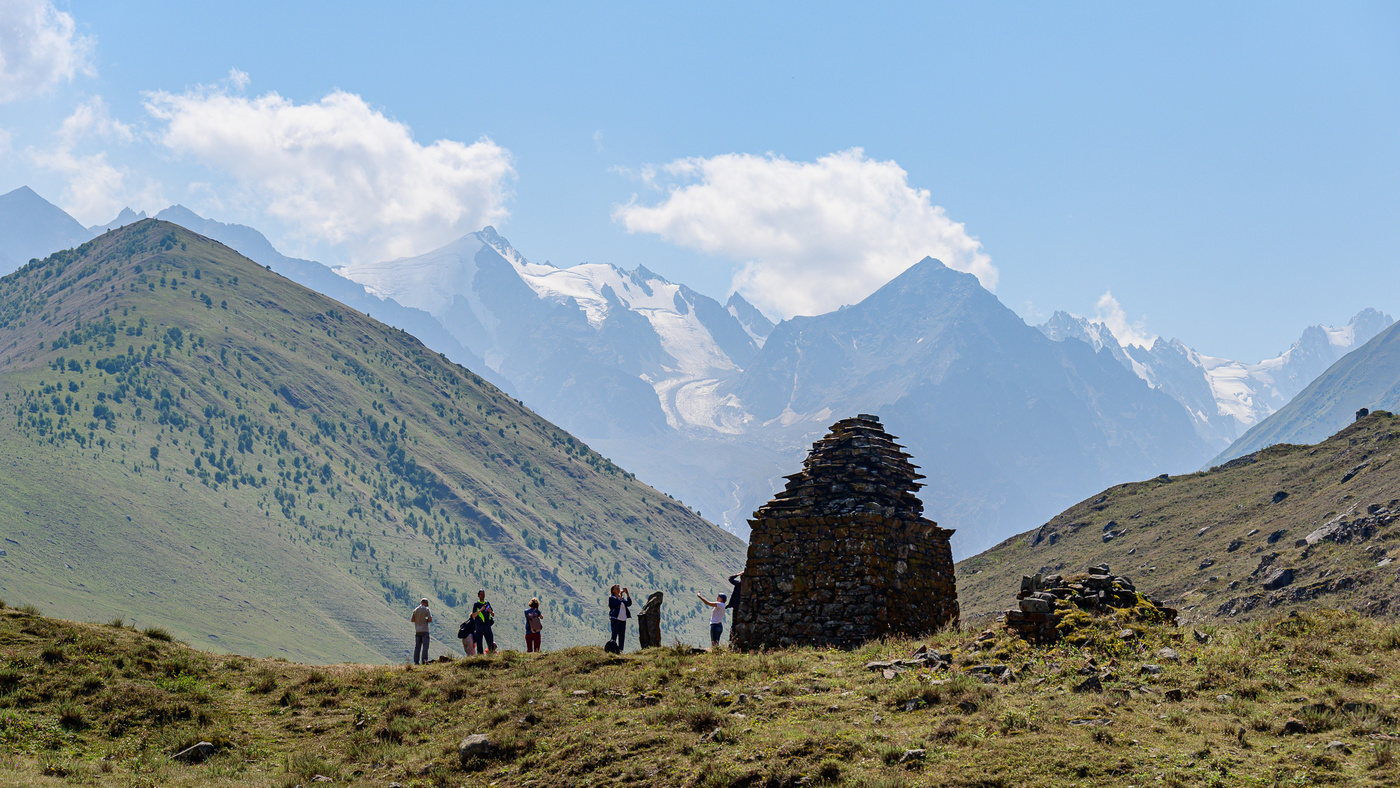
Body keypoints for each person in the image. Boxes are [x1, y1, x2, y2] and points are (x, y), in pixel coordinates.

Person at [471, 590, 496, 654]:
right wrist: (481, 609)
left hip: (487, 625)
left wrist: (490, 611)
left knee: (490, 641)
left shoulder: (487, 603)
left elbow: (493, 614)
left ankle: (491, 654)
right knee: (479, 642)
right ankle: (480, 656)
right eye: (481, 594)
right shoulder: (476, 604)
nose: (483, 595)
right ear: (478, 596)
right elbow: (473, 616)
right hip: (479, 626)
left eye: (483, 594)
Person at [607, 585, 632, 651]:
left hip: (623, 619)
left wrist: (627, 594)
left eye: (619, 588)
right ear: (613, 590)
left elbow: (629, 603)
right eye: (616, 588)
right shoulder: (612, 598)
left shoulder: (621, 598)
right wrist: (620, 598)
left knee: (622, 635)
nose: (618, 589)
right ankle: (612, 649)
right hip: (615, 618)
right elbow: (616, 605)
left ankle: (620, 650)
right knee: (614, 634)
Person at [409, 598, 432, 665]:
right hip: (424, 630)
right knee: (425, 646)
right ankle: (424, 661)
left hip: (417, 630)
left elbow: (412, 620)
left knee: (417, 647)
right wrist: (425, 619)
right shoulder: (426, 610)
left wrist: (418, 620)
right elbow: (430, 620)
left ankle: (416, 661)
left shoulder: (415, 610)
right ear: (425, 603)